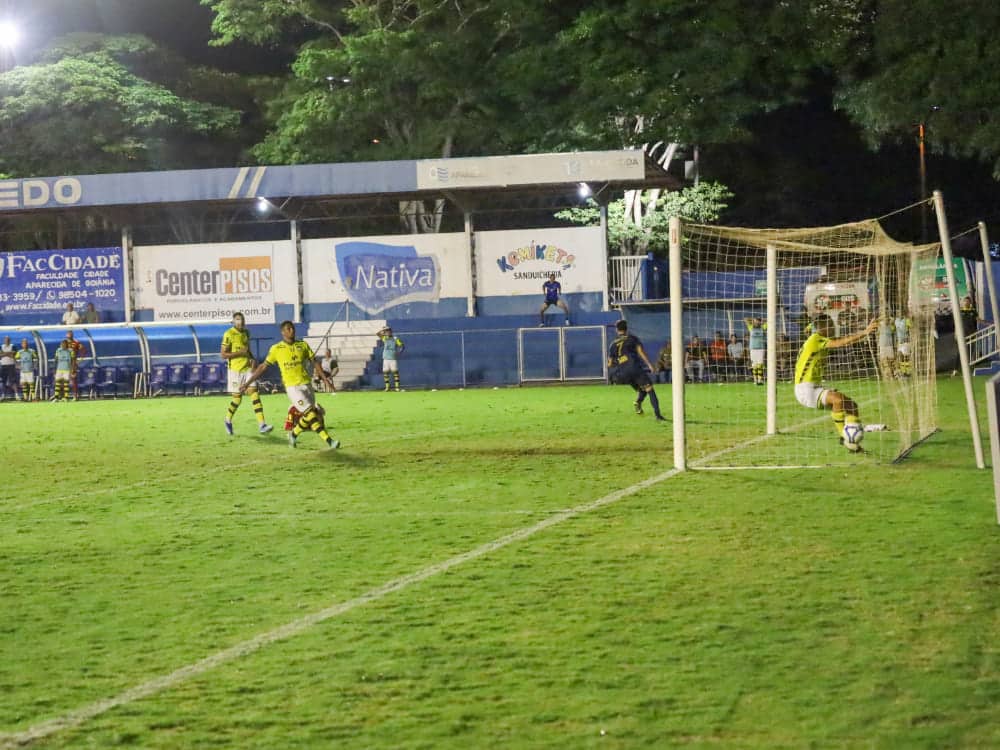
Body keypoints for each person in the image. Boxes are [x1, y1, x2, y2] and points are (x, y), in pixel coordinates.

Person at [241, 320, 338, 449]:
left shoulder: (303, 345)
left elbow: (315, 362)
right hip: (292, 387)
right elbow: (263, 367)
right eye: (288, 329)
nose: (291, 330)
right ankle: (330, 441)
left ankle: (293, 434)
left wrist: (326, 380)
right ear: (282, 332)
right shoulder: (276, 349)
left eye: (292, 328)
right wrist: (248, 382)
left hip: (307, 385)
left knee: (309, 416)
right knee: (311, 415)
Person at [794, 316, 877, 451]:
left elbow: (814, 330)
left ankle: (852, 444)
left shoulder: (817, 338)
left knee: (852, 406)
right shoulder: (815, 339)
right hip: (805, 389)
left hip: (814, 387)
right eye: (831, 325)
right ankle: (844, 438)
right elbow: (840, 343)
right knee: (838, 400)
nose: (833, 328)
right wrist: (865, 332)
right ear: (824, 328)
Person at [221, 311, 272, 436]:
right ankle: (227, 419)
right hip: (235, 371)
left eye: (242, 319)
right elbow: (223, 354)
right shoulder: (228, 334)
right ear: (233, 321)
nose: (240, 321)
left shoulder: (246, 333)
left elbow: (247, 350)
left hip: (247, 368)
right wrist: (240, 353)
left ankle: (262, 425)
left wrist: (252, 359)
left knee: (254, 393)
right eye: (237, 319)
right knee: (237, 399)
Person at [607, 319, 665, 421]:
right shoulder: (632, 338)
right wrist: (650, 365)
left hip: (623, 372)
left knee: (643, 389)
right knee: (650, 389)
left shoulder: (612, 344)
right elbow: (641, 352)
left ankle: (638, 402)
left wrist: (619, 363)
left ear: (617, 330)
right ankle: (658, 416)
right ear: (626, 328)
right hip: (634, 368)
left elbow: (610, 364)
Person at [377, 325, 404, 392]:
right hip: (386, 358)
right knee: (385, 372)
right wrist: (382, 330)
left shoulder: (395, 339)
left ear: (391, 331)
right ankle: (387, 387)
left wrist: (399, 352)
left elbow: (402, 346)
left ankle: (397, 387)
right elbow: (377, 334)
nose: (387, 332)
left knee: (395, 372)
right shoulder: (384, 338)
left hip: (393, 358)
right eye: (386, 331)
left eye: (388, 331)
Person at [63, 330, 86, 400]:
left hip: (73, 363)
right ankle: (64, 396)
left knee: (73, 379)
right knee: (63, 380)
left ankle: (75, 396)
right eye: (68, 333)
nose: (69, 335)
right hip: (65, 363)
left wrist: (80, 359)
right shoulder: (64, 342)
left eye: (70, 333)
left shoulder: (76, 342)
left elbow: (84, 350)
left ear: (72, 335)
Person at [744, 317, 766, 385]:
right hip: (753, 349)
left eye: (757, 322)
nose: (756, 323)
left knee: (760, 364)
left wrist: (761, 320)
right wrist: (753, 320)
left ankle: (760, 380)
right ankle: (755, 380)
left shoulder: (763, 327)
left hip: (761, 348)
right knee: (754, 365)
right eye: (755, 322)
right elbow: (745, 319)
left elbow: (769, 320)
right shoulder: (751, 327)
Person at [0, 335, 16, 400]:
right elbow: (0, 355)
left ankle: (17, 395)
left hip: (11, 365)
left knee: (13, 381)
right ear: (4, 340)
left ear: (10, 340)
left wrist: (4, 354)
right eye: (6, 339)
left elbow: (13, 355)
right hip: (3, 365)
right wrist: (9, 353)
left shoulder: (13, 346)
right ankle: (3, 395)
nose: (7, 340)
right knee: (3, 381)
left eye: (8, 339)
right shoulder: (1, 346)